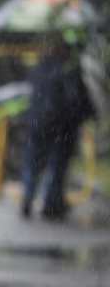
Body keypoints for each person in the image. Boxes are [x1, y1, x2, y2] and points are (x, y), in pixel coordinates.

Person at [20, 29, 95, 220]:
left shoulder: (39, 67)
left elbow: (32, 95)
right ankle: (51, 204)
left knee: (33, 162)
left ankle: (28, 198)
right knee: (56, 165)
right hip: (60, 127)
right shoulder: (68, 71)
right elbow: (77, 100)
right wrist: (86, 115)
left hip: (37, 123)